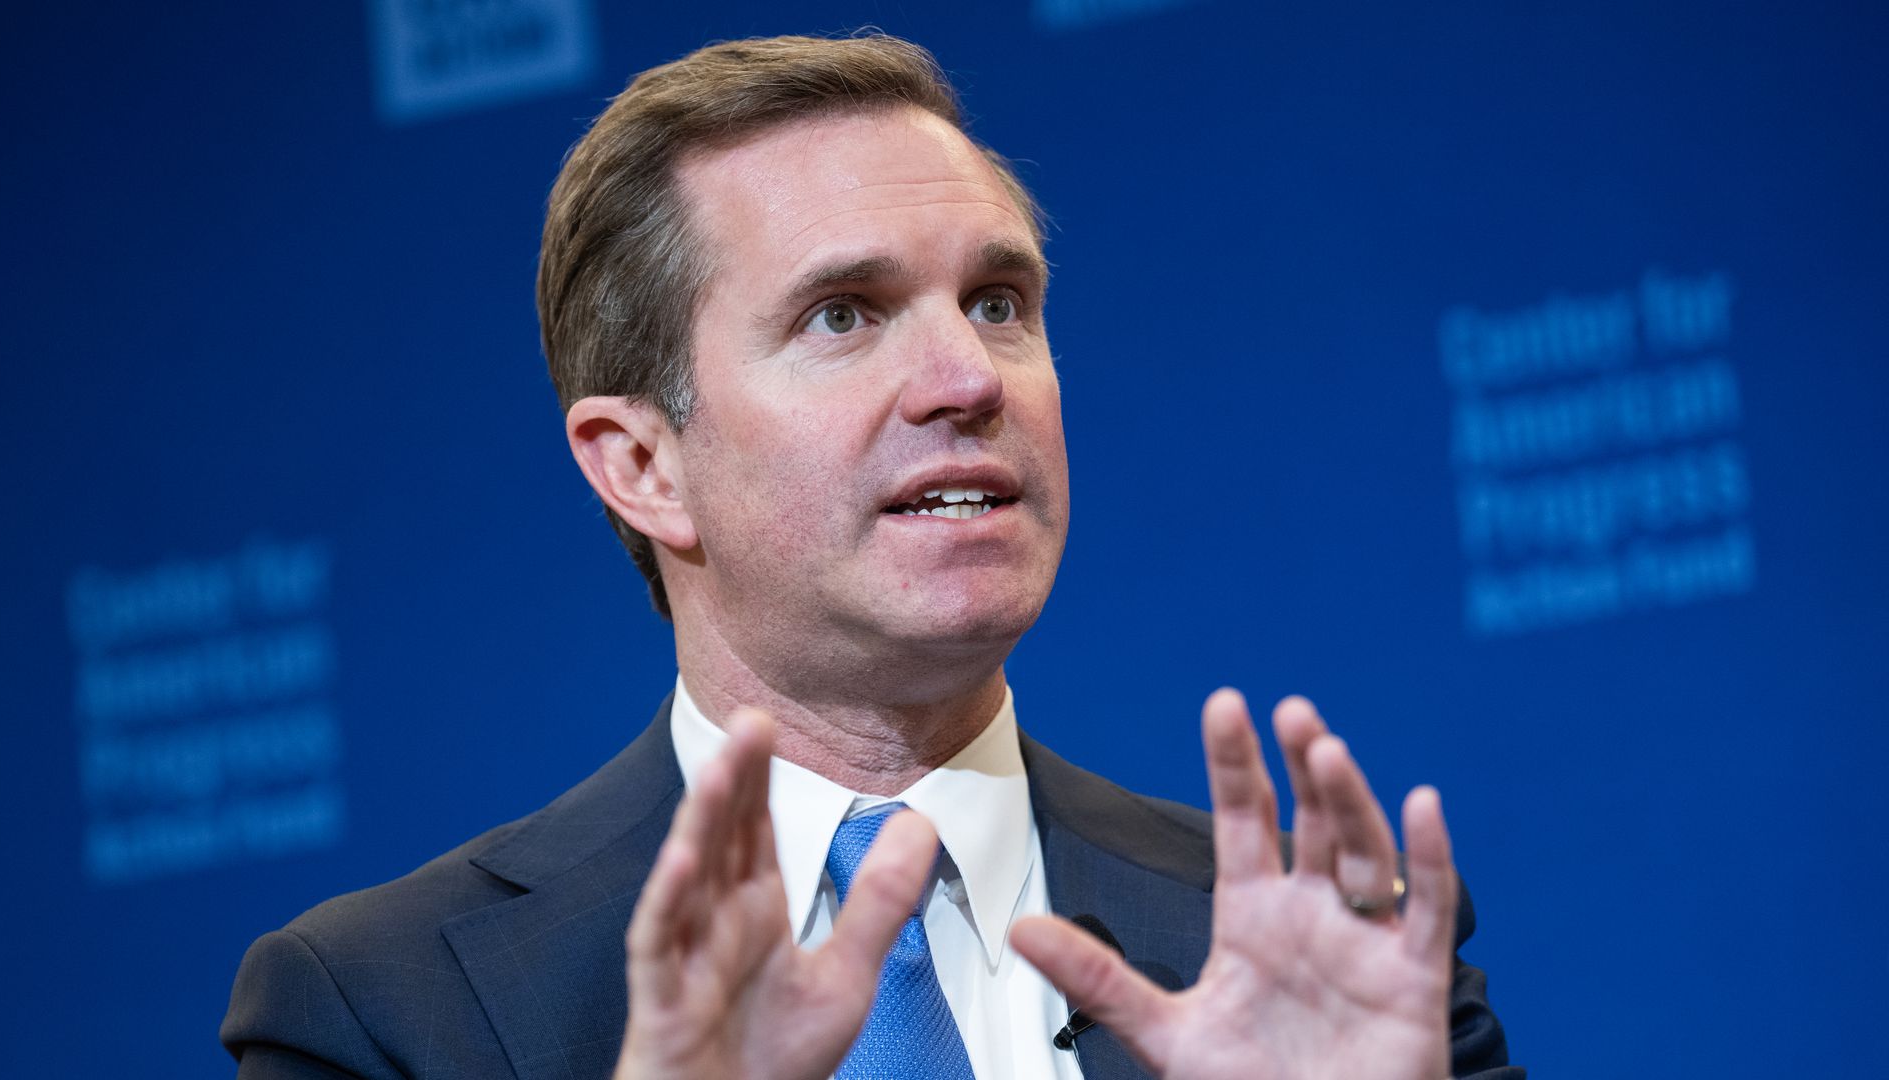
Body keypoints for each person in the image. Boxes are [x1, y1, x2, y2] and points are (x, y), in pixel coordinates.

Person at [222, 33, 1519, 1079]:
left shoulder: (1328, 955)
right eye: (844, 316)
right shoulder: (381, 1015)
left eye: (999, 304)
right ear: (643, 467)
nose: (967, 378)